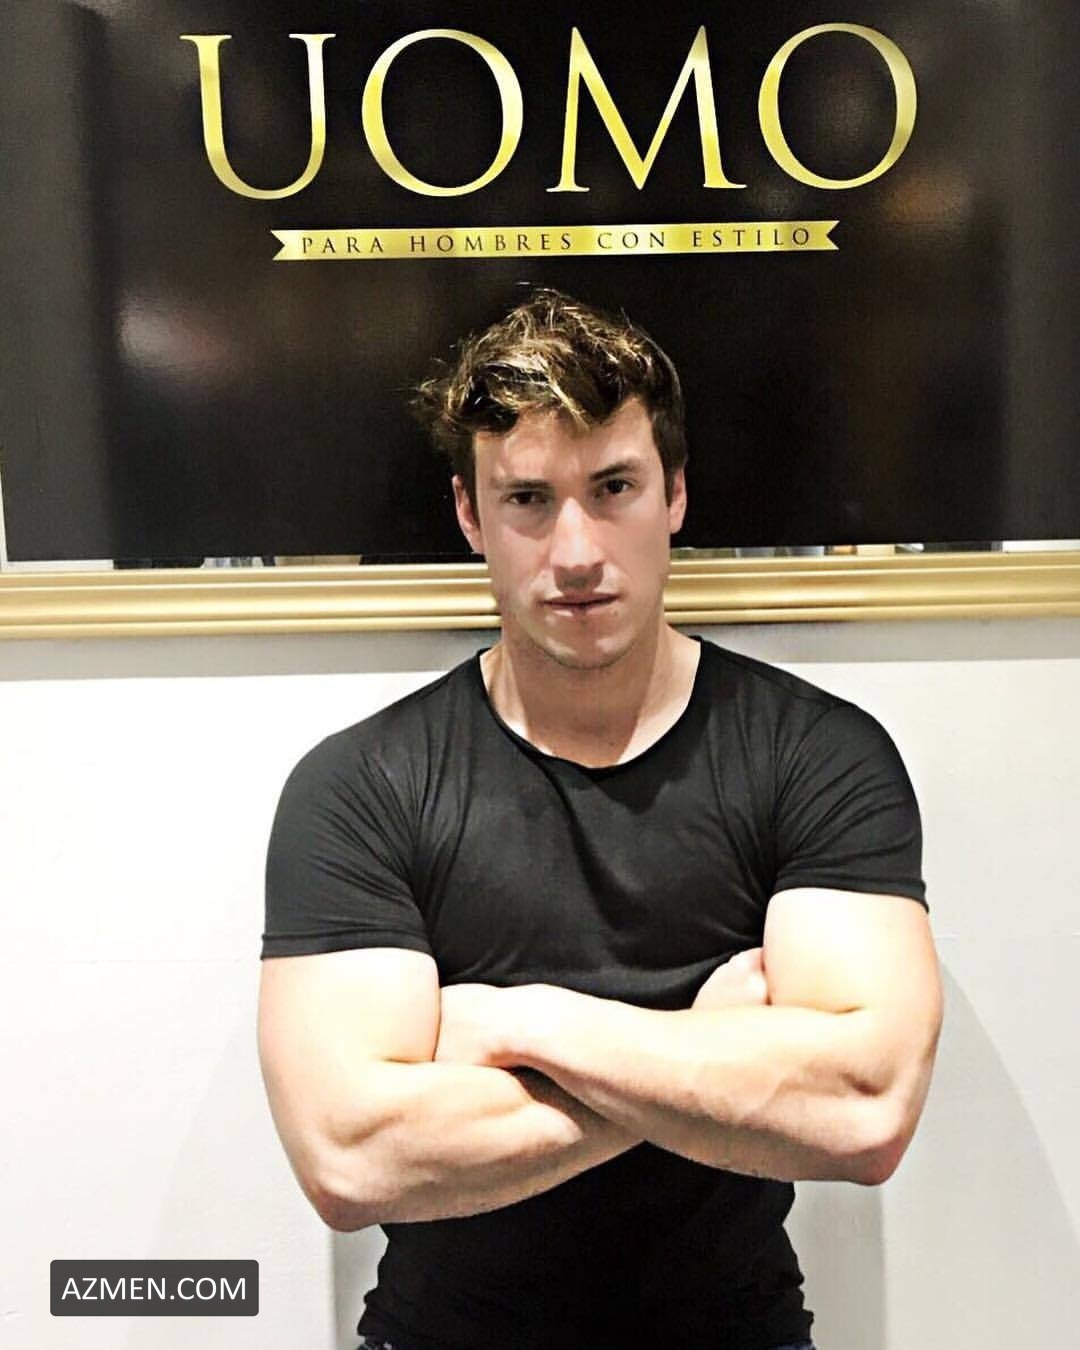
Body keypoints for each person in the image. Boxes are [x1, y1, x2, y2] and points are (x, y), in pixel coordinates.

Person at [258, 289, 943, 1350]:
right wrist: (708, 1050)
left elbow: (863, 1112)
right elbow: (350, 1160)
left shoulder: (816, 756)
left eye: (612, 487)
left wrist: (523, 1025)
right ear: (470, 515)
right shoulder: (364, 786)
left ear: (675, 493)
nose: (575, 551)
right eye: (529, 500)